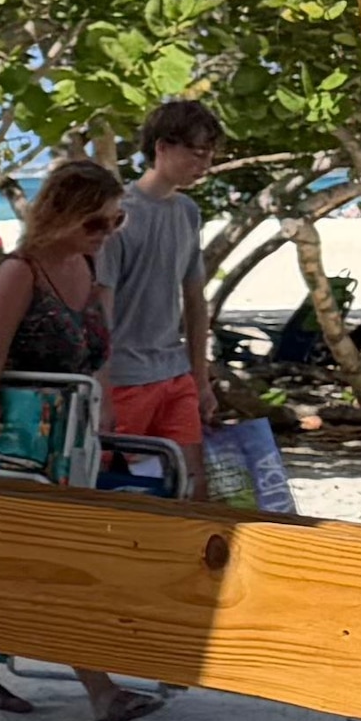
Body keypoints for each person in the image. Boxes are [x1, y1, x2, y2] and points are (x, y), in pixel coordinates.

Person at [0, 157, 162, 721]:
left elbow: (98, 347)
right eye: (95, 222)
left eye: (115, 222)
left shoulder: (87, 265)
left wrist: (104, 407)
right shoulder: (20, 273)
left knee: (24, 563)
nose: (106, 234)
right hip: (14, 441)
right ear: (62, 214)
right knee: (50, 563)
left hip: (66, 441)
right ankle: (100, 690)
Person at [98, 99, 227, 456]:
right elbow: (101, 310)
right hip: (125, 378)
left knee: (188, 477)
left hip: (175, 372)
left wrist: (201, 380)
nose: (204, 165)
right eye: (197, 153)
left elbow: (195, 300)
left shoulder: (187, 212)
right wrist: (102, 392)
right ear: (162, 147)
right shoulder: (118, 214)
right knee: (120, 479)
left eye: (209, 155)